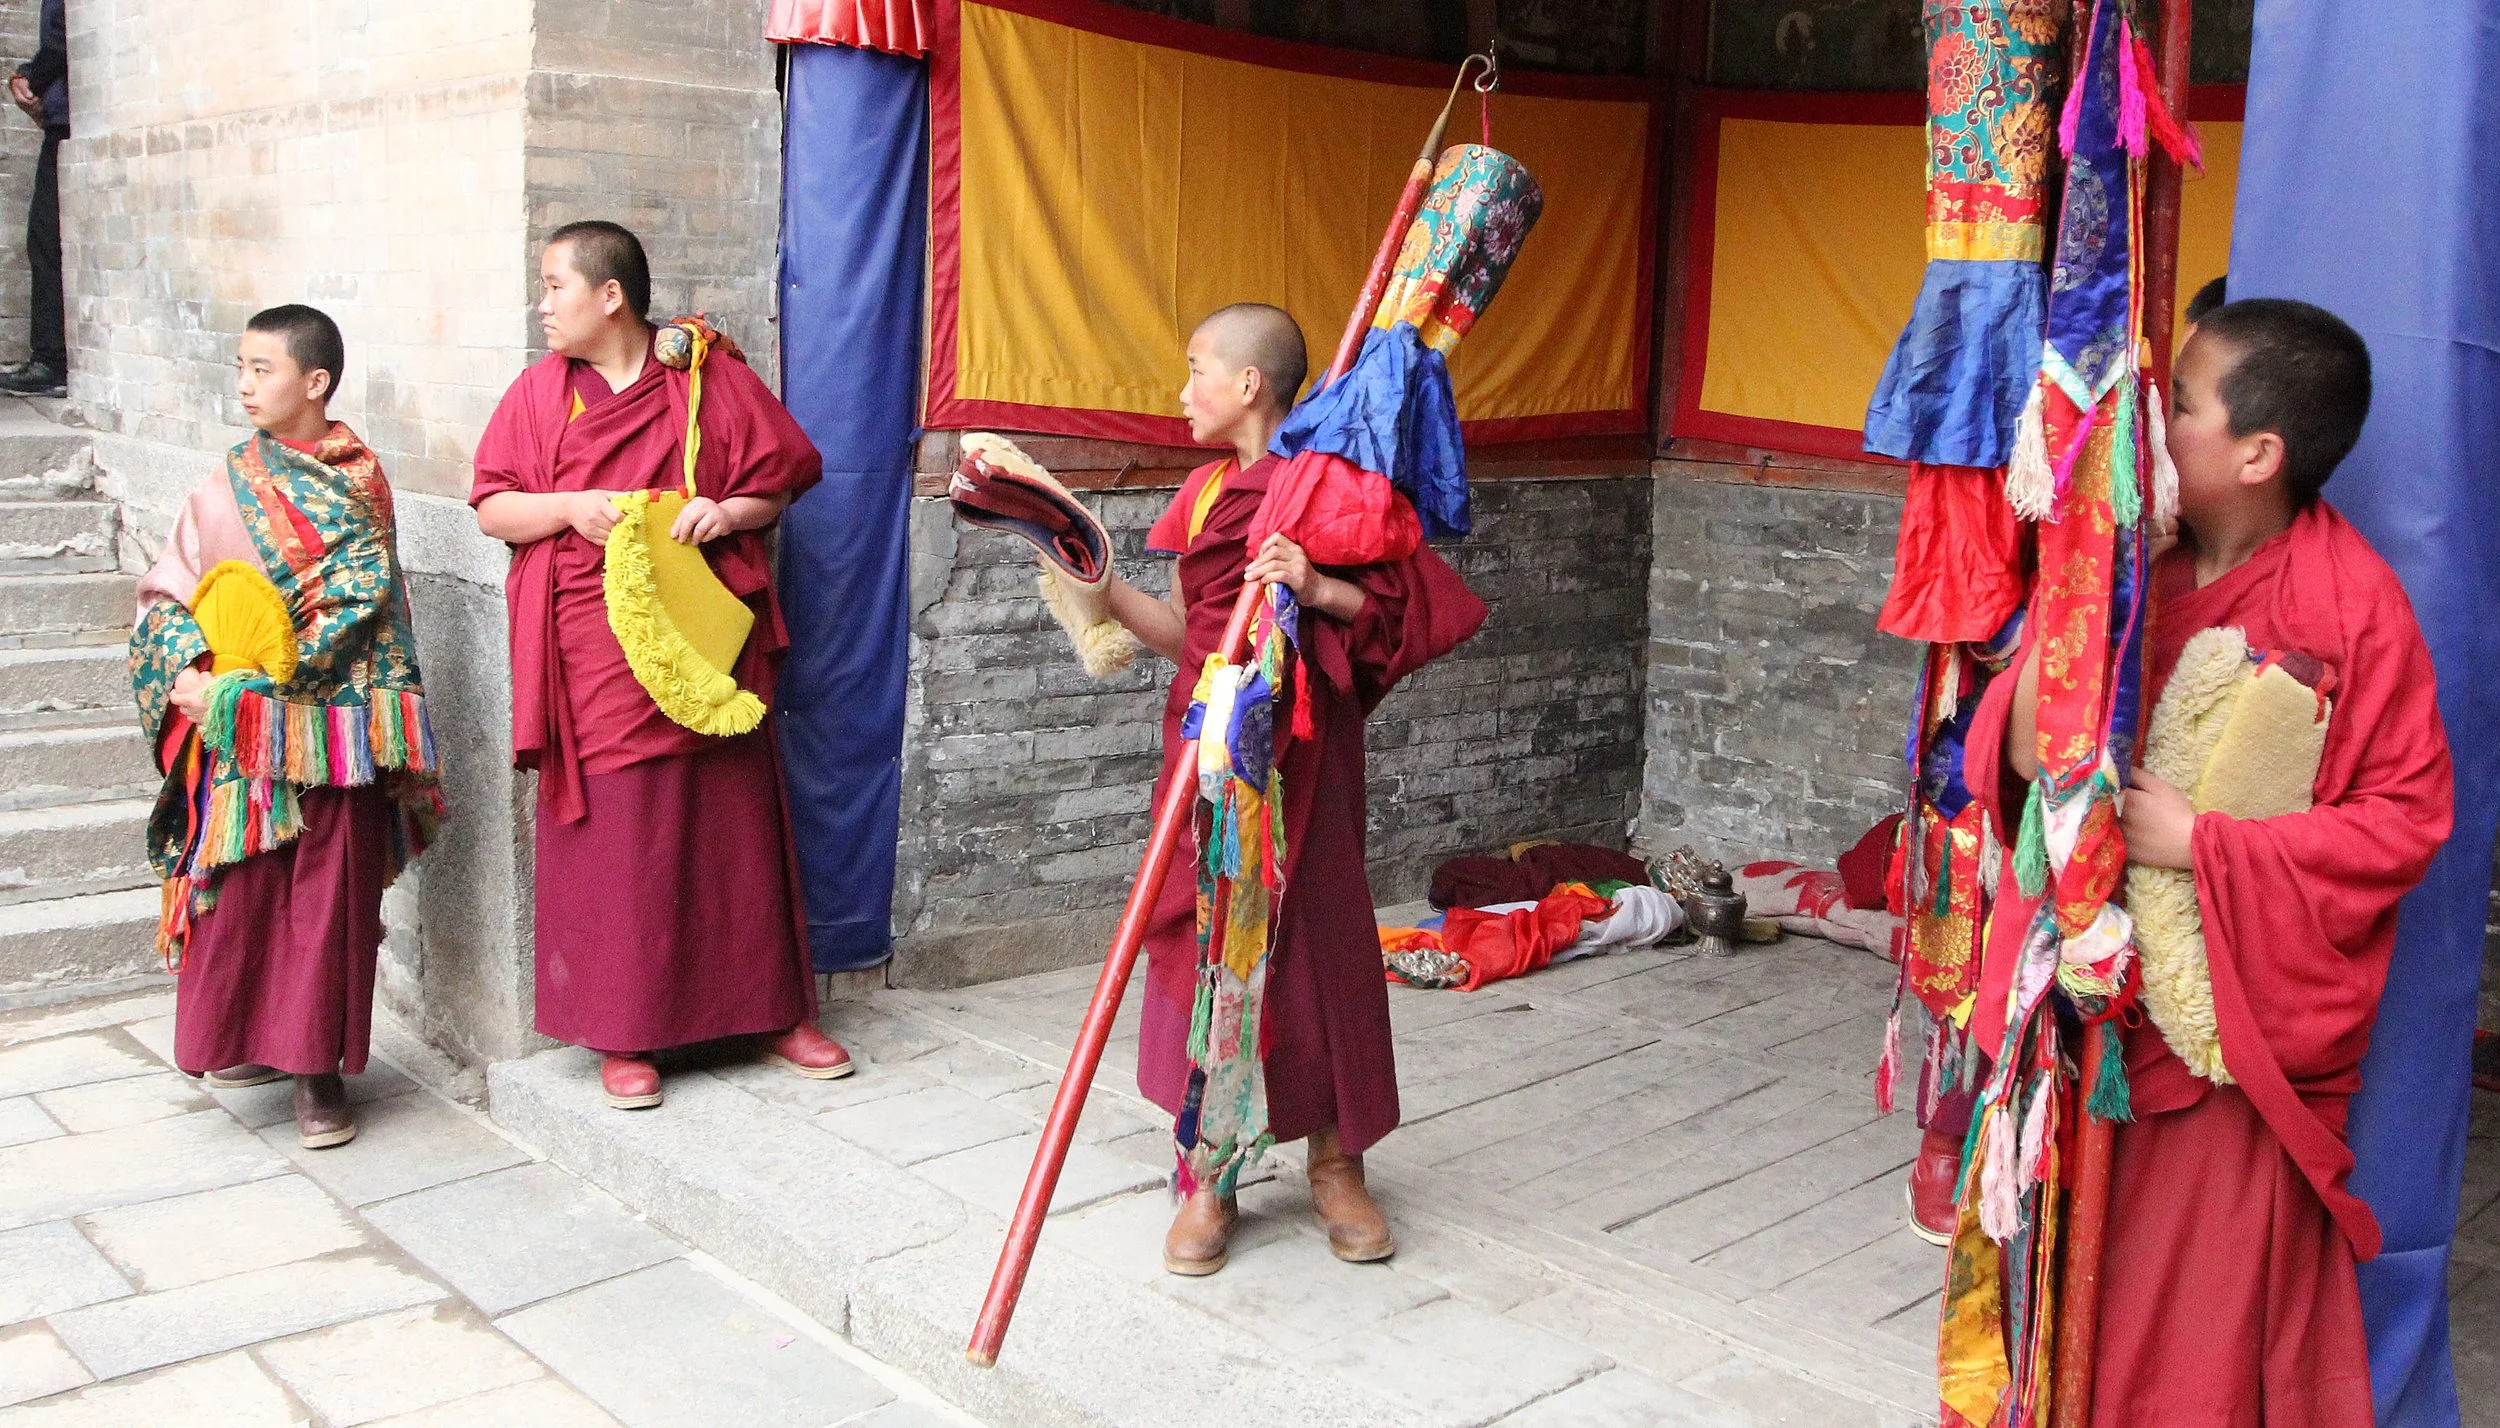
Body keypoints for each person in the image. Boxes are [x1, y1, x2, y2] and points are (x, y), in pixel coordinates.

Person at [1965, 299, 2452, 1425]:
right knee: (2053, 1286)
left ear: (2257, 454)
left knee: (2188, 1327)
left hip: (2215, 1034)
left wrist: (2203, 844)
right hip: (2081, 996)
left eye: (2179, 405)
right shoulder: (2139, 561)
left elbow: (2403, 824)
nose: (2152, 422)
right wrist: (2088, 586)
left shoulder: (2351, 609)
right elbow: (2027, 754)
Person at [1096, 304, 1485, 1275]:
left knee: (1318, 950)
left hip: (1306, 754)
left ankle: (1335, 1165)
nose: (1183, 391)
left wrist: (1314, 587)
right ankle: (1210, 1173)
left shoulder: (1330, 483)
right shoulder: (1201, 496)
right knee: (1205, 945)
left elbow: (1395, 620)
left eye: (1196, 369)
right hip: (1209, 754)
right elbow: (1190, 636)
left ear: (1248, 384)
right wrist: (1099, 589)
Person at [470, 221, 851, 1110]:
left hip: (700, 630)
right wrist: (569, 507)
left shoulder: (703, 379)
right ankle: (624, 1030)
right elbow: (492, 508)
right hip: (592, 646)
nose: (542, 305)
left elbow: (782, 479)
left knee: (734, 826)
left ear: (610, 296)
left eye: (555, 286)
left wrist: (729, 513)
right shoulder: (540, 394)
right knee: (621, 835)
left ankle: (770, 1011)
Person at [130, 305, 444, 1148]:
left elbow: (358, 604)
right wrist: (191, 673)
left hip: (331, 732)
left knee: (325, 906)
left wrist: (256, 689)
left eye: (261, 369)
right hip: (238, 740)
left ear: (315, 382)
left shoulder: (357, 484)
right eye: (240, 367)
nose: (244, 385)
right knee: (243, 896)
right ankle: (243, 1039)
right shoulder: (225, 481)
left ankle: (317, 1076)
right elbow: (170, 588)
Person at [1, 0, 67, 396]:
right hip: (67, 121)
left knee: (45, 241)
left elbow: (61, 35)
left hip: (68, 125)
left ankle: (52, 363)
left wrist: (30, 79)